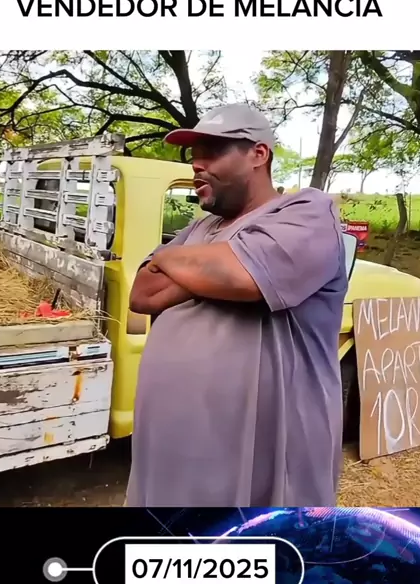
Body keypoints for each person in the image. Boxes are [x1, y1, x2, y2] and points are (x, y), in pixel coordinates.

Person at [125, 104, 348, 507]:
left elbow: (243, 277)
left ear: (258, 154)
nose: (197, 165)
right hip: (178, 453)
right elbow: (143, 294)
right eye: (194, 154)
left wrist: (168, 258)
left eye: (212, 151)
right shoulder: (202, 227)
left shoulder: (307, 214)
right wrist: (210, 266)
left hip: (266, 454)